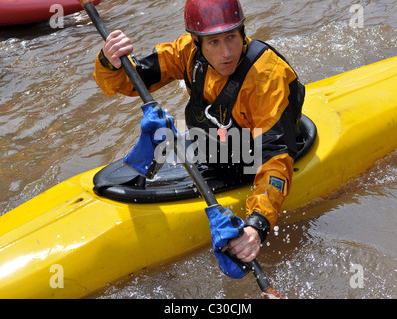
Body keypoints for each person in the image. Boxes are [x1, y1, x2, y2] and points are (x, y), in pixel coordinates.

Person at [93, 0, 304, 264]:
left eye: (231, 38)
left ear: (242, 32)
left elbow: (275, 158)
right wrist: (109, 60)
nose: (226, 52)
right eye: (213, 42)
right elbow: (128, 82)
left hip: (257, 156)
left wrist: (257, 224)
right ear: (196, 42)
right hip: (216, 145)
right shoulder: (187, 53)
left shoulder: (267, 78)